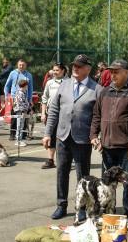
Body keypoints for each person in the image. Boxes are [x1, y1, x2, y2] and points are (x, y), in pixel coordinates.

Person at [42, 54, 102, 220]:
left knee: (83, 176)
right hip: (62, 136)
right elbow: (53, 110)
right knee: (61, 172)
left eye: (80, 66)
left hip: (82, 139)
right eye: (74, 65)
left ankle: (82, 207)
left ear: (88, 69)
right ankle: (61, 205)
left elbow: (100, 116)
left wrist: (98, 136)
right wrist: (48, 133)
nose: (75, 68)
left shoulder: (96, 89)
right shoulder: (64, 85)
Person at [90, 59, 128, 231]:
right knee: (106, 184)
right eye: (111, 72)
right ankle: (107, 214)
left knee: (127, 183)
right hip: (106, 147)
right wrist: (93, 135)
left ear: (126, 73)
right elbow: (96, 116)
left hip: (126, 147)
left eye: (116, 72)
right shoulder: (104, 91)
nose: (113, 75)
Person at [41, 62, 67, 169]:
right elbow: (44, 98)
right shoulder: (49, 83)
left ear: (63, 71)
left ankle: (64, 161)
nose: (55, 72)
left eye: (58, 70)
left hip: (64, 114)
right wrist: (43, 113)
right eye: (54, 70)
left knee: (64, 138)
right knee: (50, 136)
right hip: (51, 113)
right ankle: (50, 160)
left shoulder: (68, 83)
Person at [4, 59, 33, 140]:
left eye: (23, 65)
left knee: (24, 116)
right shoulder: (13, 73)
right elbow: (7, 85)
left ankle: (23, 134)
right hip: (14, 98)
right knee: (15, 116)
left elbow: (30, 88)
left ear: (26, 65)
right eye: (20, 65)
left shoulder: (29, 75)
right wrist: (6, 95)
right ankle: (12, 133)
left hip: (24, 98)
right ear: (17, 65)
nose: (21, 66)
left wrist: (30, 99)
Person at [13, 80, 30, 147]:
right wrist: (23, 111)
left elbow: (25, 102)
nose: (27, 86)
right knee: (19, 125)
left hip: (22, 110)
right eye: (26, 85)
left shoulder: (23, 92)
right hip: (20, 111)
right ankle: (18, 140)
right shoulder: (20, 92)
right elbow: (20, 102)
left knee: (21, 125)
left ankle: (19, 139)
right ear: (24, 85)